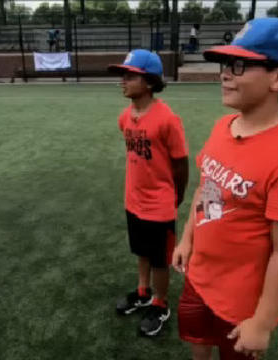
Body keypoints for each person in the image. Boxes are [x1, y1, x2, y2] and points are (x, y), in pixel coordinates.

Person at [172, 18, 278, 359]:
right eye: (226, 64)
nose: (225, 74)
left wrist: (263, 322)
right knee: (198, 343)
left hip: (242, 302)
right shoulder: (222, 126)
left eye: (239, 65)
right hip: (199, 276)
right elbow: (207, 192)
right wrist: (188, 238)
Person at [107, 49, 189, 337]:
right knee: (140, 251)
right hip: (134, 200)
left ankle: (160, 302)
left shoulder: (167, 119)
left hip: (159, 205)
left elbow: (181, 164)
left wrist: (174, 197)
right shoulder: (124, 118)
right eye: (123, 75)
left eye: (130, 76)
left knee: (159, 259)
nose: (123, 81)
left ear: (150, 82)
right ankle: (143, 292)